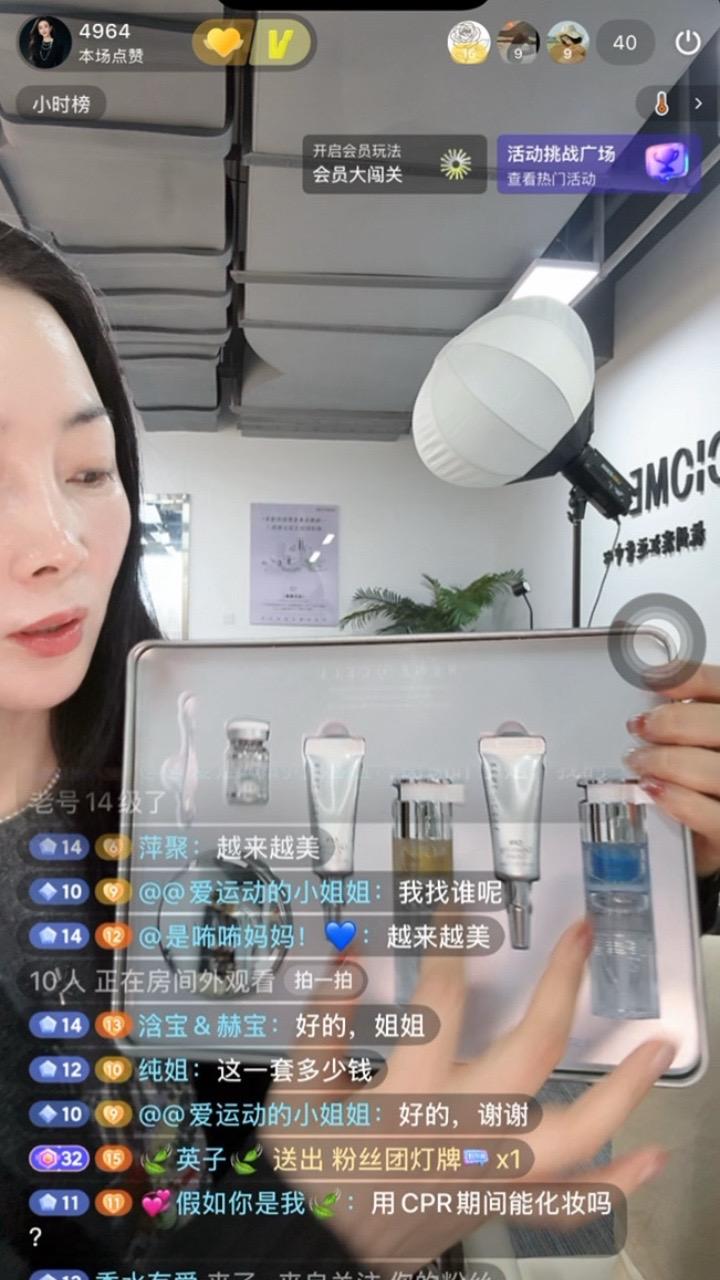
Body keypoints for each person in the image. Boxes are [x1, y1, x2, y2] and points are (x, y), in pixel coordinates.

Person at [0, 220, 717, 1277]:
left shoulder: (177, 770)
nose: (58, 544)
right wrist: (322, 1228)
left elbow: (363, 1007)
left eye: (86, 469)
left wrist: (667, 869)